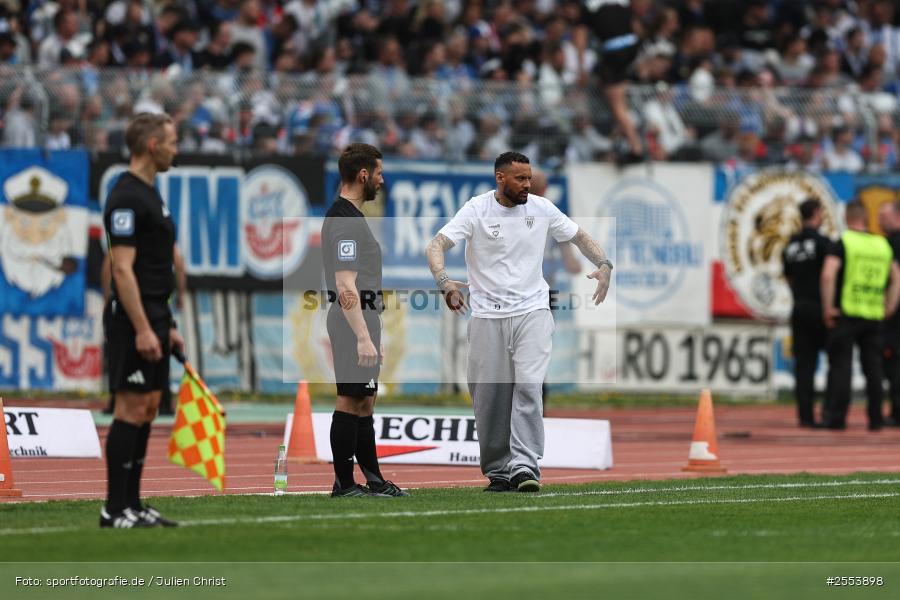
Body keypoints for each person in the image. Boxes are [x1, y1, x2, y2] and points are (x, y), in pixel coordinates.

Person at [426, 152, 612, 493]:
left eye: (529, 178)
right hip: (486, 315)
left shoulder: (541, 209)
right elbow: (436, 244)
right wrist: (444, 281)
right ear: (500, 178)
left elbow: (580, 236)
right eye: (520, 179)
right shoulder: (476, 209)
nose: (527, 185)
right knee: (489, 397)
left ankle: (525, 466)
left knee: (529, 385)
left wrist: (604, 263)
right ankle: (498, 470)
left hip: (533, 311)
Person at [102, 113, 183, 528]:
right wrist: (143, 328)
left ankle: (133, 503)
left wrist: (164, 324)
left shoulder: (152, 194)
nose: (176, 148)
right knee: (130, 409)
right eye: (171, 141)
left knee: (149, 407)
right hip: (134, 319)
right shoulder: (126, 197)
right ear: (152, 146)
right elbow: (122, 270)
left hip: (154, 312)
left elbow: (155, 267)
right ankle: (113, 508)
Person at [322, 143, 407, 498]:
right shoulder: (344, 220)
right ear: (363, 175)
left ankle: (373, 480)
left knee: (364, 401)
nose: (381, 180)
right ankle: (343, 483)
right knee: (349, 400)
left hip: (364, 317)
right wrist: (361, 335)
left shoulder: (353, 217)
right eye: (378, 173)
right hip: (350, 319)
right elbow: (345, 284)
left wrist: (372, 329)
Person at [820, 200, 900, 431]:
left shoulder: (844, 242)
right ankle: (876, 419)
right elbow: (896, 278)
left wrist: (827, 307)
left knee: (841, 367)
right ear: (866, 218)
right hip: (874, 315)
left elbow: (828, 275)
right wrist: (890, 306)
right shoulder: (882, 244)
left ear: (847, 217)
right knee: (873, 370)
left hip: (847, 313)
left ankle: (837, 418)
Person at [781, 198, 831, 427]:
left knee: (804, 365)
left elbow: (788, 277)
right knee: (836, 361)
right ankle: (830, 413)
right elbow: (828, 276)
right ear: (816, 213)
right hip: (821, 307)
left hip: (799, 307)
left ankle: (805, 416)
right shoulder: (823, 243)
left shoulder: (790, 245)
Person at [582, 0, 644, 163]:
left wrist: (581, 68)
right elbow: (636, 26)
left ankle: (635, 148)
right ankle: (623, 138)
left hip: (613, 53)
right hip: (630, 47)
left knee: (617, 105)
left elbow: (580, 37)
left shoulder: (589, 6)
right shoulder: (621, 2)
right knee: (617, 100)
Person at [878, 200, 900, 426]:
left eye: (883, 216)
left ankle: (897, 411)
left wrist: (890, 306)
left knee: (893, 363)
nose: (879, 221)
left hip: (894, 315)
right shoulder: (885, 243)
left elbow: (895, 279)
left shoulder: (890, 245)